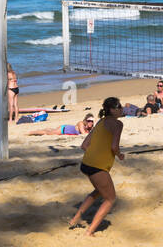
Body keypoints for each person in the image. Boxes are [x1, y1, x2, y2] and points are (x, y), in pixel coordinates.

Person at [69, 97, 125, 236]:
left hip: (86, 163)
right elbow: (114, 147)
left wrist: (97, 152)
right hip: (97, 166)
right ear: (112, 110)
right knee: (110, 198)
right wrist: (119, 155)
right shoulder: (118, 124)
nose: (121, 109)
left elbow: (84, 145)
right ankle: (90, 231)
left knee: (99, 191)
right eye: (119, 106)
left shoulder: (101, 121)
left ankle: (74, 220)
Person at [29, 114, 96, 137]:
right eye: (89, 121)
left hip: (64, 129)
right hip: (63, 129)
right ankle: (31, 133)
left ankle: (46, 129)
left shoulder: (91, 128)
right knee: (47, 133)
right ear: (85, 121)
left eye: (91, 121)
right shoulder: (81, 123)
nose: (90, 122)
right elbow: (83, 133)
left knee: (49, 131)